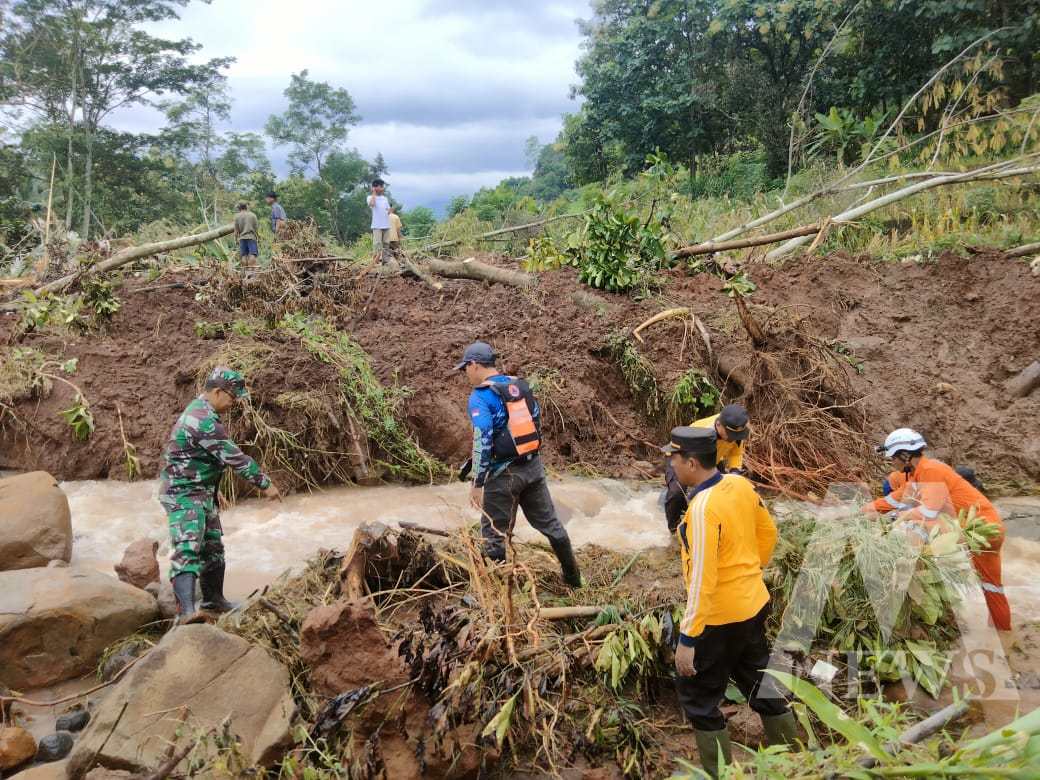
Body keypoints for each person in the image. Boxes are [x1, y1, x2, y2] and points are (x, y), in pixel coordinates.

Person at [661, 425, 796, 777]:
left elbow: (702, 579)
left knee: (699, 699)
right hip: (752, 603)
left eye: (673, 459)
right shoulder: (739, 485)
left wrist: (688, 640)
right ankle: (797, 761)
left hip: (718, 618)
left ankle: (721, 774)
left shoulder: (703, 508)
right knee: (760, 681)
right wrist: (750, 568)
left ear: (691, 463)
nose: (671, 465)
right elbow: (769, 532)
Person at [158, 367, 281, 621]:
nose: (234, 403)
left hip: (201, 492)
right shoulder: (201, 419)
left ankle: (214, 600)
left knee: (213, 547)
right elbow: (233, 456)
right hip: (184, 494)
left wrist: (213, 491)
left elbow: (206, 458)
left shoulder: (204, 413)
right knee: (188, 547)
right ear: (217, 392)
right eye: (232, 397)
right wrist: (265, 484)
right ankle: (187, 612)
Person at [455, 341, 582, 587]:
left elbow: (482, 439)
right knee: (552, 525)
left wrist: (477, 482)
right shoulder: (518, 385)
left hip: (502, 476)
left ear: (474, 365)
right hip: (533, 467)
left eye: (465, 368)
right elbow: (534, 420)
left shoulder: (480, 397)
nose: (465, 374)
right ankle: (574, 580)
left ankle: (502, 597)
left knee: (494, 536)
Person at [862, 428, 1011, 631]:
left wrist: (895, 520)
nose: (892, 463)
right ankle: (1003, 633)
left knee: (915, 529)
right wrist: (865, 509)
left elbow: (928, 513)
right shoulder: (919, 474)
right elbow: (896, 498)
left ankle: (914, 587)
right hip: (988, 528)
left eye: (893, 458)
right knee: (991, 586)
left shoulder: (930, 470)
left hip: (978, 529)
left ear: (905, 455)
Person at [663, 404, 751, 533]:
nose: (733, 439)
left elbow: (736, 453)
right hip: (683, 459)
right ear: (719, 425)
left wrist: (734, 471)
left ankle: (718, 525)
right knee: (677, 493)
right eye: (730, 435)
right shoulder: (701, 431)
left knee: (725, 491)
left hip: (713, 459)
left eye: (736, 436)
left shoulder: (734, 431)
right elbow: (691, 464)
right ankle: (674, 530)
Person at [366, 179, 394, 269]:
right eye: (380, 186)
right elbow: (372, 204)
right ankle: (376, 263)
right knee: (377, 244)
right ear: (375, 187)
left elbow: (388, 210)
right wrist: (373, 193)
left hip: (386, 224)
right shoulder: (370, 197)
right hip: (377, 225)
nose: (382, 188)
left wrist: (390, 211)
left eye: (382, 186)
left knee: (386, 244)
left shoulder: (385, 198)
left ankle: (386, 262)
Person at [233, 201, 259, 268]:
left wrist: (236, 240)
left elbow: (236, 231)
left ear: (239, 208)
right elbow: (256, 228)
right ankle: (251, 271)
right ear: (246, 207)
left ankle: (245, 271)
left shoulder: (237, 216)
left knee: (243, 255)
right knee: (252, 254)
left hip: (242, 238)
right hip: (251, 237)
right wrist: (257, 237)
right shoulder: (253, 215)